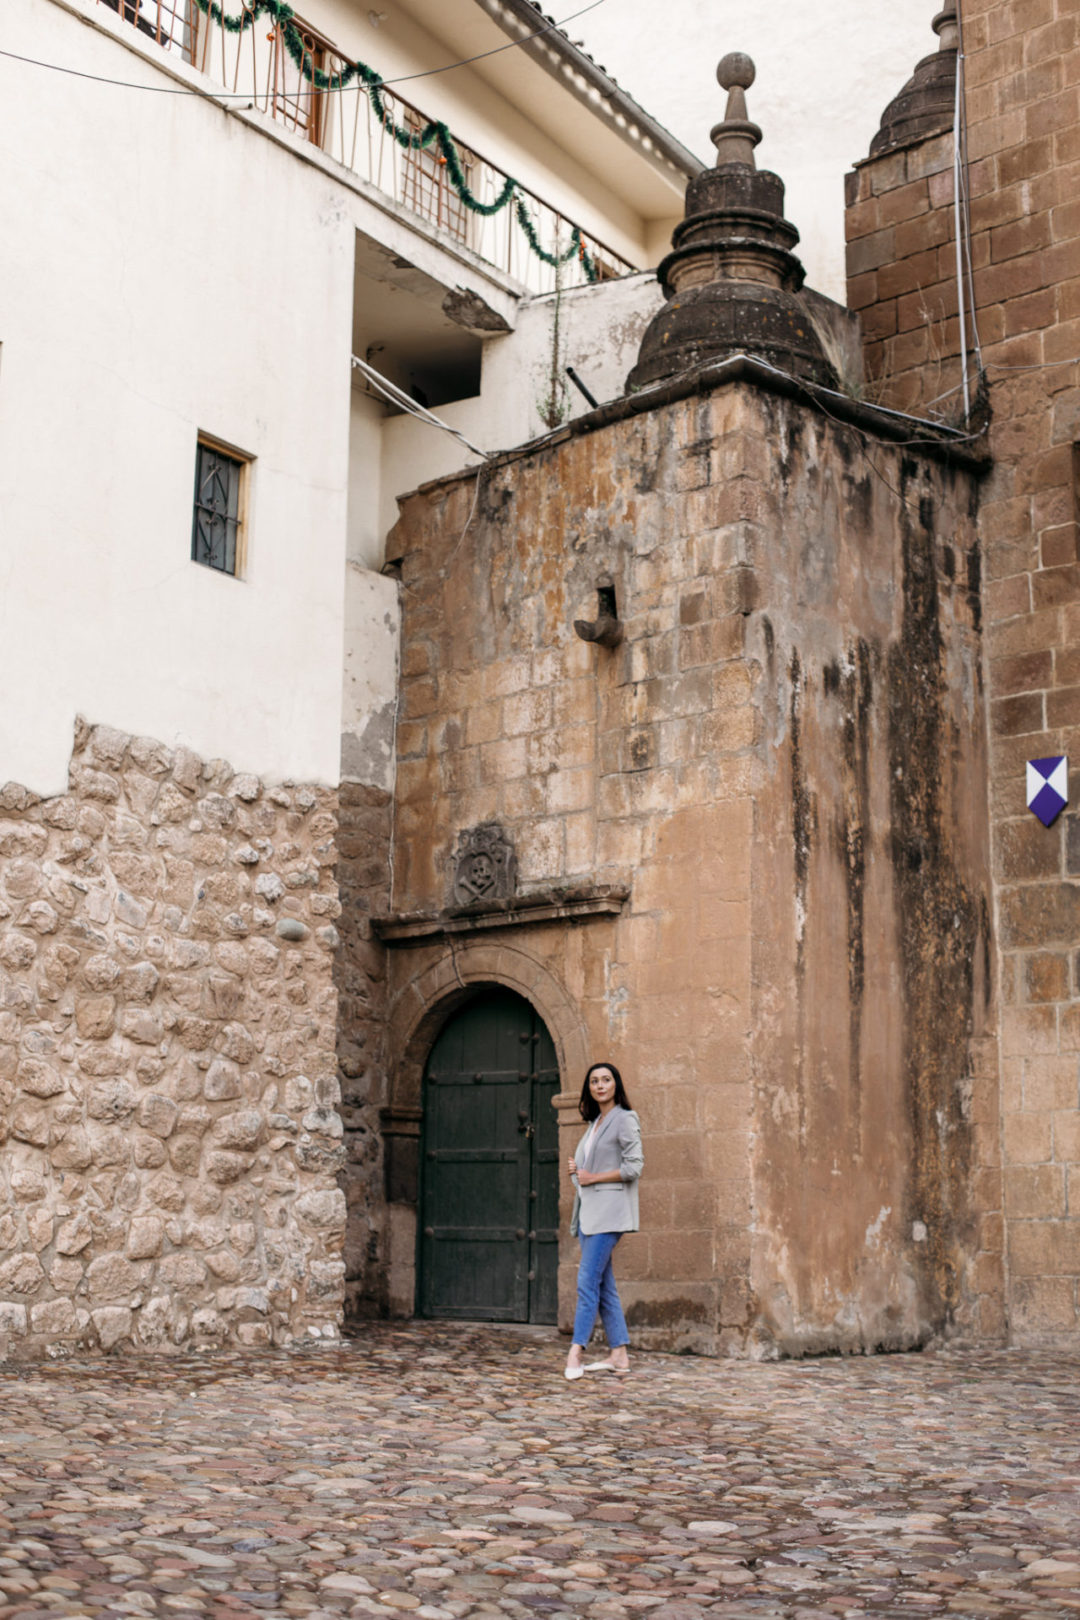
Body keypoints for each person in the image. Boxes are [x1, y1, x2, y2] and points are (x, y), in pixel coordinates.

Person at [564, 1061, 644, 1381]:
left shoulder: (625, 1119)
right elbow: (586, 1175)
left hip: (609, 1215)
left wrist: (591, 1176)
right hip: (588, 1216)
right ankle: (619, 1354)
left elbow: (634, 1166)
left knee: (586, 1283)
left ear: (616, 1085)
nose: (600, 1085)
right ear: (589, 1089)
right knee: (604, 1285)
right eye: (594, 1081)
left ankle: (576, 1350)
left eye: (606, 1080)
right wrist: (578, 1169)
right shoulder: (596, 1122)